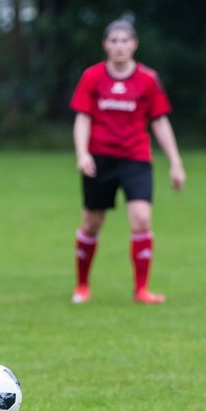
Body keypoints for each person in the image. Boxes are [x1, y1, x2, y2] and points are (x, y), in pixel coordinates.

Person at [70, 19, 185, 304]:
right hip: (100, 159)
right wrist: (83, 153)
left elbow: (159, 121)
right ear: (105, 45)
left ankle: (141, 289)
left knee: (142, 219)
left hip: (135, 158)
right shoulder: (92, 77)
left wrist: (175, 162)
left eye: (125, 40)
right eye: (114, 40)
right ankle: (82, 285)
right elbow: (82, 118)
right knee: (92, 222)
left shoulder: (148, 79)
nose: (119, 46)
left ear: (134, 44)